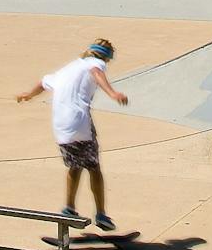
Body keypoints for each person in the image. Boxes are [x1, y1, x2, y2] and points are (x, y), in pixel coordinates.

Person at [16, 39, 128, 231]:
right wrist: (112, 93)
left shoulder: (69, 68)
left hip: (61, 127)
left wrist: (28, 94)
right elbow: (97, 73)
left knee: (75, 166)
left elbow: (44, 83)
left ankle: (69, 208)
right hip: (80, 121)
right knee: (94, 167)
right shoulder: (95, 63)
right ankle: (101, 214)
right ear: (105, 56)